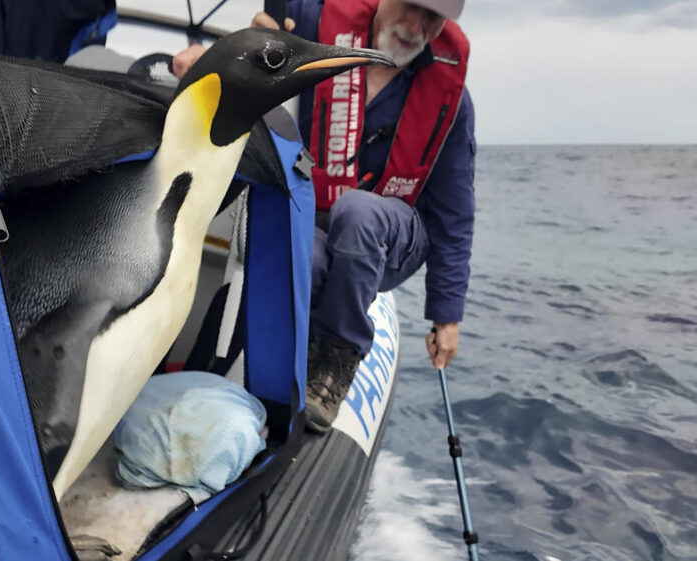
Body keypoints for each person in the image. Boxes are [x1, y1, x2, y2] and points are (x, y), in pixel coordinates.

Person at [173, 0, 475, 434]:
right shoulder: (319, 26)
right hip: (318, 219)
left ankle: (340, 355)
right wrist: (231, 47)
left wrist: (446, 316)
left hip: (394, 235)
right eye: (412, 7)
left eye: (434, 17)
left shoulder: (452, 98)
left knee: (358, 210)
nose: (418, 27)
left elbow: (455, 211)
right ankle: (286, 358)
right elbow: (271, 25)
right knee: (303, 256)